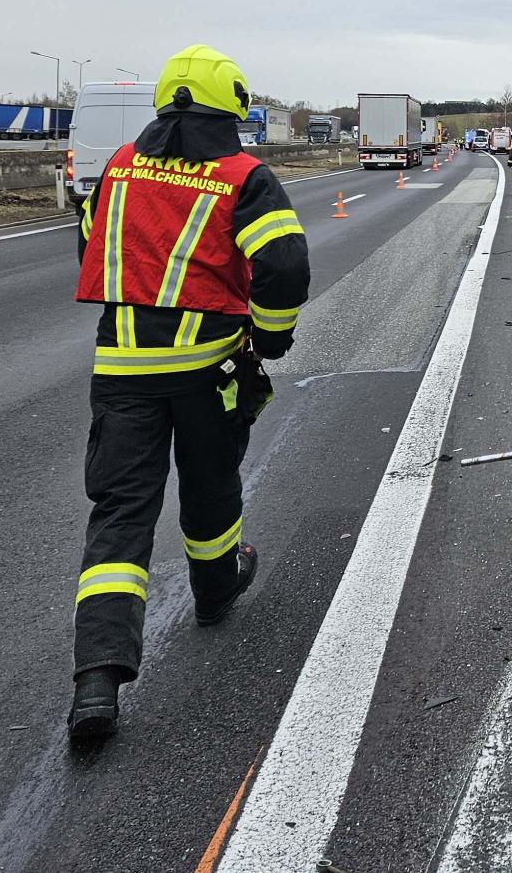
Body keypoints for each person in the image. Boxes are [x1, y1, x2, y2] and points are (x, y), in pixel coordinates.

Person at [66, 44, 310, 744]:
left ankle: (97, 683)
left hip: (122, 370)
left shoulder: (118, 167)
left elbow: (94, 243)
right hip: (207, 369)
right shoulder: (241, 176)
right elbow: (285, 265)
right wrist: (270, 338)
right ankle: (214, 591)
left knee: (120, 515)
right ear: (231, 110)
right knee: (209, 487)